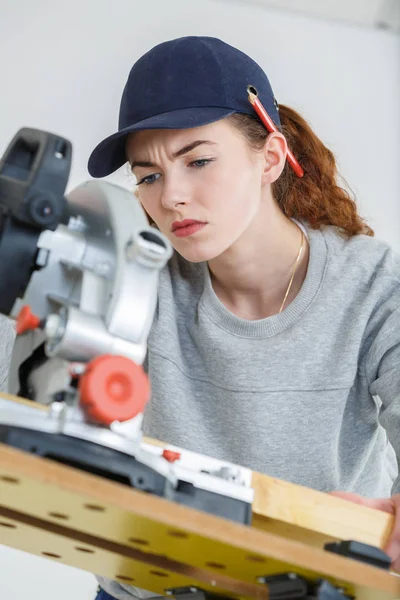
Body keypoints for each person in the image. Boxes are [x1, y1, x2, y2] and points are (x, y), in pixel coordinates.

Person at [2, 35, 400, 600]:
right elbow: (17, 410)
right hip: (146, 587)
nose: (172, 198)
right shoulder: (128, 266)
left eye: (200, 161)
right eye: (148, 175)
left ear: (269, 157)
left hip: (309, 586)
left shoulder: (373, 286)